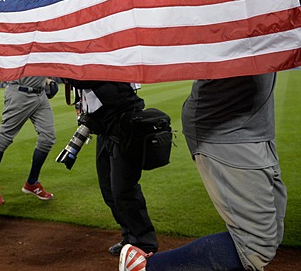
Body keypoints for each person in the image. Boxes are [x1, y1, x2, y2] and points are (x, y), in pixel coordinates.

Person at [119, 73, 287, 271]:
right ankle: (147, 268)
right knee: (255, 246)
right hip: (226, 129)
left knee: (271, 233)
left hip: (256, 128)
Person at [64, 79, 159, 256]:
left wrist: (63, 67)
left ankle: (145, 243)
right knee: (108, 188)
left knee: (124, 190)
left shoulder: (103, 64)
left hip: (124, 125)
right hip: (105, 128)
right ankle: (130, 236)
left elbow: (83, 78)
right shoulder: (92, 65)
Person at [0, 76, 56, 205]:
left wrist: (47, 80)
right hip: (20, 93)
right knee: (5, 137)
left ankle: (32, 183)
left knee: (48, 138)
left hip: (40, 95)